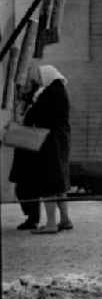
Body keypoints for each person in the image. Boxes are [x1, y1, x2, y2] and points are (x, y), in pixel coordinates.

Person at [22, 64, 72, 233]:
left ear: (47, 77)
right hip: (61, 141)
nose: (39, 80)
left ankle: (51, 224)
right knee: (59, 184)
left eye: (41, 77)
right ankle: (65, 220)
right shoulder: (61, 91)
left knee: (48, 184)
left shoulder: (49, 93)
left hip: (49, 143)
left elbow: (32, 116)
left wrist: (32, 103)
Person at [8, 81, 42, 230]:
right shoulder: (27, 108)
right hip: (25, 150)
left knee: (25, 188)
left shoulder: (32, 109)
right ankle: (32, 217)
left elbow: (30, 129)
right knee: (25, 188)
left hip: (28, 151)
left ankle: (32, 218)